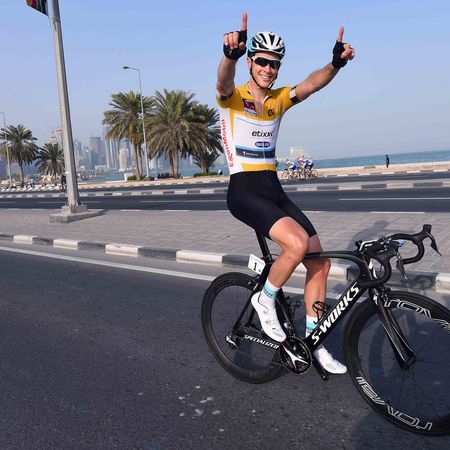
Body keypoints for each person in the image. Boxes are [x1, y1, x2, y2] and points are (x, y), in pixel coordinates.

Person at [217, 13, 355, 374]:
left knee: (319, 261)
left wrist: (335, 64)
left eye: (274, 63)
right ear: (251, 62)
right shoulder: (233, 97)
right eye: (262, 61)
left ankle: (314, 341)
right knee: (295, 244)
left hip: (273, 190)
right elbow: (222, 82)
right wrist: (229, 57)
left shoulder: (279, 99)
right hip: (244, 191)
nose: (268, 68)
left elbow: (310, 84)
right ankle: (265, 301)